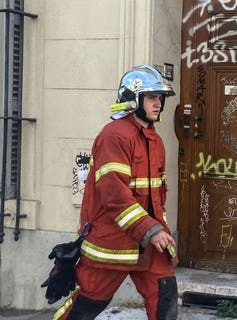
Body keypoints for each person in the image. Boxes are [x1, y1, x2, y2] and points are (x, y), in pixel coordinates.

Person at [52, 65, 178, 320]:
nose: (158, 104)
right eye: (151, 97)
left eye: (160, 98)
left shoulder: (154, 139)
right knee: (87, 304)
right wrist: (151, 230)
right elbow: (114, 196)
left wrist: (159, 230)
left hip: (147, 243)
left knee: (164, 293)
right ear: (133, 99)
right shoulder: (115, 136)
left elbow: (156, 196)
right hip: (112, 243)